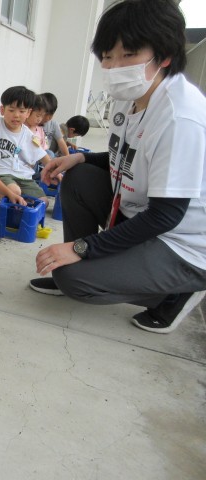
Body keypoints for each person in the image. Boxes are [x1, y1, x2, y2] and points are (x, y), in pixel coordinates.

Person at [29, 0, 206, 334]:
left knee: (73, 279)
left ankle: (178, 291)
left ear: (165, 56)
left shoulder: (180, 118)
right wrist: (81, 157)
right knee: (79, 176)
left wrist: (81, 248)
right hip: (141, 213)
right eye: (108, 56)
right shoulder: (132, 96)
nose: (113, 67)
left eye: (129, 55)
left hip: (180, 241)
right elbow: (130, 156)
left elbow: (167, 215)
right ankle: (85, 264)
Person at [41, 92, 69, 158]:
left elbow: (61, 142)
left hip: (46, 153)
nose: (48, 118)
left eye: (51, 115)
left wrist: (67, 157)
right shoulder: (33, 124)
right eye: (46, 114)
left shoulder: (53, 124)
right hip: (35, 153)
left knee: (50, 154)